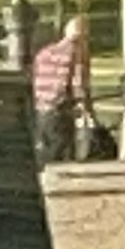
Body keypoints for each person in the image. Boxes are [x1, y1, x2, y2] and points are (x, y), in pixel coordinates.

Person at [31, 10, 90, 165]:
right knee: (63, 160)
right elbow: (78, 84)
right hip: (60, 112)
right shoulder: (75, 52)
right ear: (81, 36)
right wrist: (85, 108)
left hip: (41, 111)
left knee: (46, 158)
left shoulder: (43, 54)